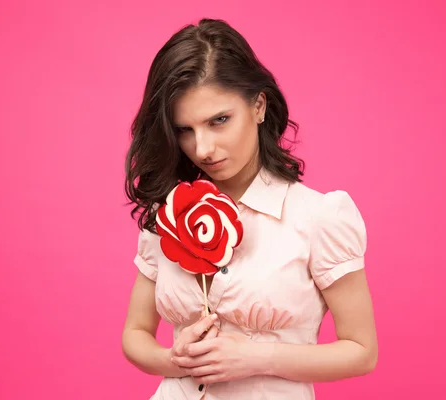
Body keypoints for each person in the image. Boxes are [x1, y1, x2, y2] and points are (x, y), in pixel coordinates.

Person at [122, 18, 378, 400]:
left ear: (259, 106)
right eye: (184, 130)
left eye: (219, 121)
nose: (203, 148)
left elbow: (362, 351)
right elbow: (135, 334)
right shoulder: (169, 214)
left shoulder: (318, 217)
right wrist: (178, 358)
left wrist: (257, 358)